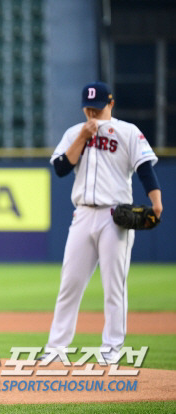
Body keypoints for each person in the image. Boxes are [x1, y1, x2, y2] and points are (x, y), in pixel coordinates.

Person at [42, 81, 163, 363]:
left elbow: (145, 169)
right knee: (69, 285)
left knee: (114, 286)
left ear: (110, 104)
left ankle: (111, 351)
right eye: (88, 109)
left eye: (97, 108)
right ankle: (56, 350)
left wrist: (156, 201)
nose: (92, 114)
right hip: (83, 214)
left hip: (115, 216)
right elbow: (61, 168)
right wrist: (82, 137)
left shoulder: (128, 132)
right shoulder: (75, 132)